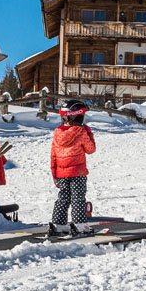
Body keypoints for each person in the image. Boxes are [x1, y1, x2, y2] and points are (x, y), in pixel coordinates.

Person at [49, 99, 96, 236]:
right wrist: (89, 133)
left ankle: (59, 225)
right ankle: (79, 225)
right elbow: (91, 149)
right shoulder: (80, 132)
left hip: (61, 173)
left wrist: (55, 174)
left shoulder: (57, 133)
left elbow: (53, 155)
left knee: (63, 198)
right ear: (79, 116)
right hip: (78, 172)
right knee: (78, 198)